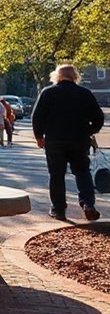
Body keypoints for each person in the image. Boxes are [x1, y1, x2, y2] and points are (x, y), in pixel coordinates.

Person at [31, 64, 105, 222]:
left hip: (55, 140)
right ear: (75, 76)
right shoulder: (85, 93)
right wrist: (90, 131)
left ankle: (59, 210)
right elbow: (99, 118)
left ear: (56, 76)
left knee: (56, 175)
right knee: (82, 172)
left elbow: (37, 117)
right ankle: (88, 204)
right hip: (79, 140)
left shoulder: (48, 92)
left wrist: (39, 136)